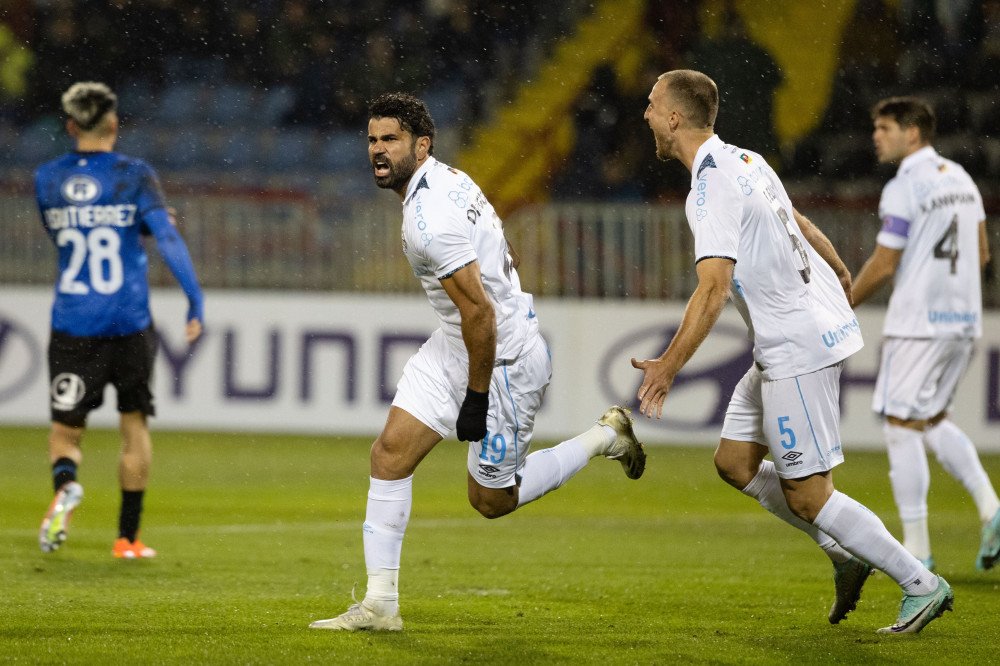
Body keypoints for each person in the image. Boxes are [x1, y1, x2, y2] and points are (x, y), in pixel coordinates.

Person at [309, 92, 646, 632]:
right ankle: (380, 606)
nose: (377, 150)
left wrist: (477, 397)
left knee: (491, 500)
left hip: (503, 359)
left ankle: (605, 436)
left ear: (422, 145)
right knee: (390, 455)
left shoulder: (429, 220)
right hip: (456, 343)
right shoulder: (444, 180)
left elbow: (482, 316)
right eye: (372, 140)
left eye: (390, 139)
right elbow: (470, 314)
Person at [632, 70, 952, 634]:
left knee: (809, 496)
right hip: (796, 332)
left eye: (653, 105)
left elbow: (714, 287)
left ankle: (920, 584)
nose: (646, 115)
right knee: (734, 462)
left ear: (676, 117)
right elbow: (796, 219)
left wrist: (668, 366)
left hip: (795, 344)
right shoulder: (745, 159)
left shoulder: (709, 186)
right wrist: (838, 263)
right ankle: (843, 552)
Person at [35, 82, 204, 559]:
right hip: (128, 322)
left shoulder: (47, 178)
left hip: (73, 323)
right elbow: (168, 240)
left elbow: (61, 233)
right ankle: (127, 538)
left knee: (66, 432)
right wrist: (194, 300)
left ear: (70, 126)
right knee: (134, 427)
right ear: (113, 123)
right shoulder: (135, 174)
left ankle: (66, 484)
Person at [851, 96, 1000, 573]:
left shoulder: (903, 186)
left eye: (884, 127)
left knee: (900, 427)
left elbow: (884, 262)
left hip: (918, 326)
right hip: (962, 322)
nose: (876, 135)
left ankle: (917, 550)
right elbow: (980, 254)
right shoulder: (961, 179)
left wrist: (843, 301)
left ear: (912, 133)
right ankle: (991, 509)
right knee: (931, 419)